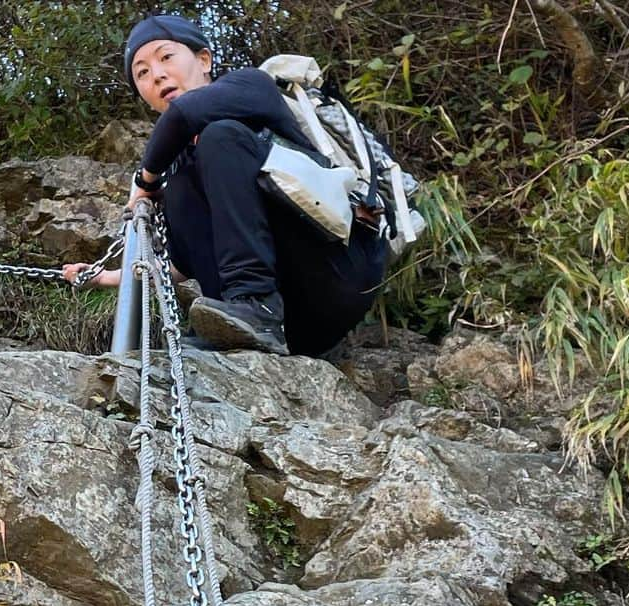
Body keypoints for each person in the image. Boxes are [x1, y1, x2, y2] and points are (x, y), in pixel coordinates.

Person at [63, 14, 389, 356]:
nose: (156, 74)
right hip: (294, 331)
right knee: (179, 182)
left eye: (166, 57)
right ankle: (247, 314)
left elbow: (182, 116)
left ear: (204, 60)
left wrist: (144, 179)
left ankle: (256, 304)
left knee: (220, 137)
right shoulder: (178, 172)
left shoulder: (252, 86)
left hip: (336, 277)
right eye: (141, 73)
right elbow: (182, 264)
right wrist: (105, 277)